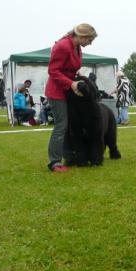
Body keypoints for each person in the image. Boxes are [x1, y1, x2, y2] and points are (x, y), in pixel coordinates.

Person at [44, 23, 97, 172]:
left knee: (69, 125)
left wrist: (77, 76)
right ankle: (54, 162)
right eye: (89, 40)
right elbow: (53, 71)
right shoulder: (63, 46)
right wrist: (71, 83)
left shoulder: (76, 47)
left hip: (68, 90)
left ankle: (69, 156)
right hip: (57, 91)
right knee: (61, 125)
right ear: (81, 36)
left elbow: (68, 67)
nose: (90, 43)